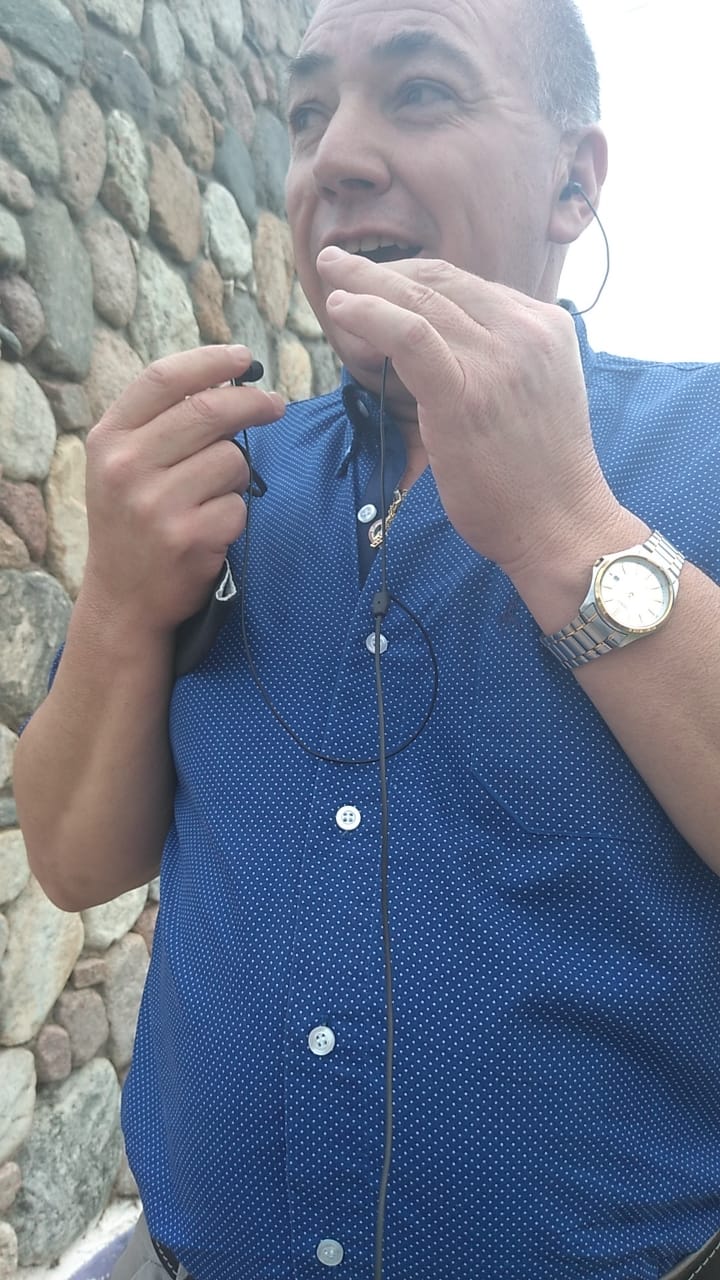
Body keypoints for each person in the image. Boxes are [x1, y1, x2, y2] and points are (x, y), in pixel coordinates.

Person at [13, 0, 720, 1276]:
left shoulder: (701, 445)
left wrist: (568, 528)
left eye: (421, 91)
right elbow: (72, 859)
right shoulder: (223, 480)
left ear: (574, 182)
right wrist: (117, 601)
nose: (331, 156)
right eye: (305, 114)